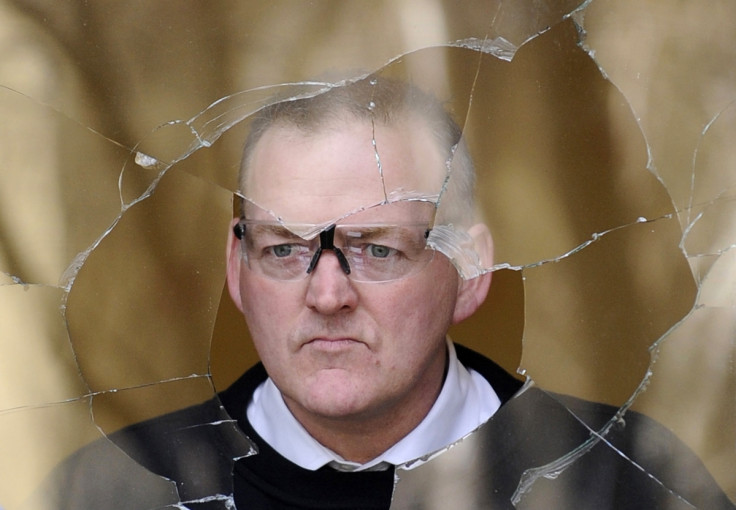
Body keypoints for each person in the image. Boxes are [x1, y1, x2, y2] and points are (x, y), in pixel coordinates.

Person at [38, 76, 735, 510]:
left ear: (469, 269)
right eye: (284, 249)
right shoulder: (116, 490)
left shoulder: (623, 483)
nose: (328, 293)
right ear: (236, 269)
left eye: (377, 250)